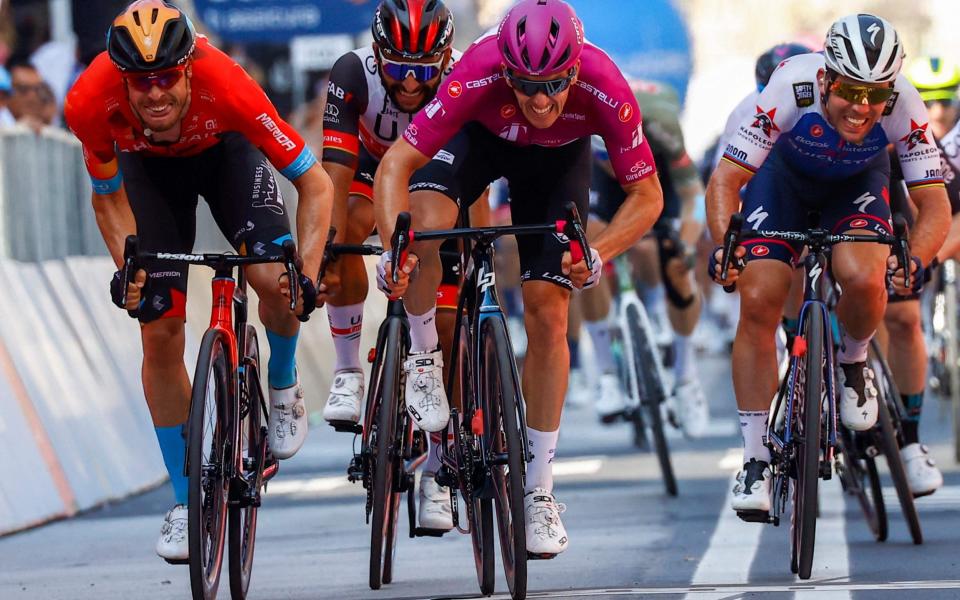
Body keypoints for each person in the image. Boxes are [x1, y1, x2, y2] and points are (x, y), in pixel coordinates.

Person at [373, 0, 663, 555]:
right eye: (525, 84)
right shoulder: (477, 69)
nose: (539, 99)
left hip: (556, 168)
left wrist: (597, 253)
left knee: (550, 314)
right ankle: (427, 357)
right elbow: (396, 166)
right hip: (476, 144)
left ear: (575, 71)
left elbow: (647, 196)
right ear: (505, 69)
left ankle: (539, 494)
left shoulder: (608, 86)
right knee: (425, 228)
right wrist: (396, 248)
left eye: (554, 84)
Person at [64, 0, 332, 561]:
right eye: (140, 83)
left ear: (187, 68)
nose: (155, 93)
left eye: (166, 77)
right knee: (158, 329)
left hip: (227, 155)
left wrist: (305, 272)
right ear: (121, 82)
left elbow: (316, 184)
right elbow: (109, 202)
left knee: (274, 280)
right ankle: (186, 502)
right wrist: (128, 271)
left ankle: (281, 384)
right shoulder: (89, 101)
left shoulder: (228, 85)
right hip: (149, 174)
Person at [707, 14, 950, 516]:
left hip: (856, 185)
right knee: (758, 299)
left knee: (865, 276)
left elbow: (935, 203)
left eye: (874, 94)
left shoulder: (904, 102)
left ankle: (853, 363)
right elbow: (726, 181)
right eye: (848, 91)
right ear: (825, 79)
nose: (862, 108)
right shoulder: (788, 85)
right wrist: (724, 247)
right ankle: (754, 459)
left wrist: (919, 262)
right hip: (783, 182)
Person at [317, 0, 466, 533]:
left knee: (449, 321)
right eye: (398, 67)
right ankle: (348, 368)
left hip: (437, 178)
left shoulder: (461, 78)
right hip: (367, 167)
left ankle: (442, 468)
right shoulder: (351, 71)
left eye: (423, 71)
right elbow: (333, 173)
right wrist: (328, 247)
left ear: (445, 60)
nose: (408, 83)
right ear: (378, 53)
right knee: (345, 232)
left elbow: (480, 176)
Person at [584, 80, 708, 436]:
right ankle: (606, 373)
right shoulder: (585, 125)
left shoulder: (661, 126)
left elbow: (692, 196)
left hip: (654, 176)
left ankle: (686, 378)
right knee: (584, 250)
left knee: (672, 260)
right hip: (601, 185)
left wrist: (684, 246)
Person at [879, 55, 960, 496]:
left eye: (944, 102)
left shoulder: (908, 121)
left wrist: (918, 260)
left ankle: (909, 438)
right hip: (811, 189)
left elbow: (938, 204)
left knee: (903, 314)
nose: (936, 111)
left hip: (884, 191)